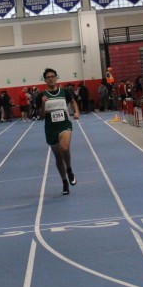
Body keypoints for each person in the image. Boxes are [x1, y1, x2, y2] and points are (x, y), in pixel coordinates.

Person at [39, 68, 80, 196]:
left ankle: (69, 170)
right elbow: (41, 117)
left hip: (64, 125)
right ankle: (64, 182)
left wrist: (76, 111)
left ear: (56, 77)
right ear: (45, 80)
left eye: (53, 76)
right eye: (48, 77)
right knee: (58, 157)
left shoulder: (64, 91)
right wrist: (43, 104)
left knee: (65, 148)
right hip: (51, 129)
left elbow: (72, 101)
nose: (51, 78)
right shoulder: (41, 95)